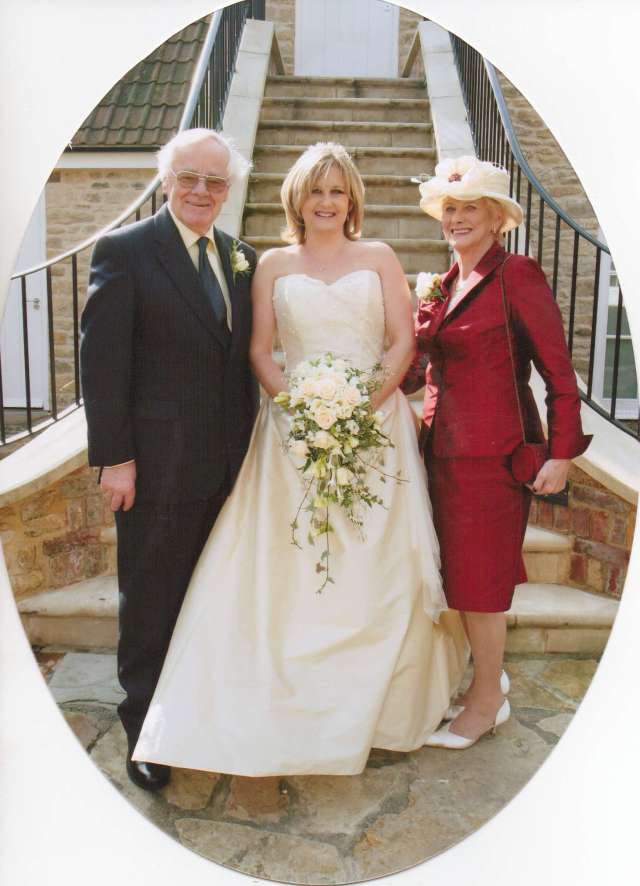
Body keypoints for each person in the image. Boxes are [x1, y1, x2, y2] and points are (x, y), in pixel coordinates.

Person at [132, 142, 469, 777]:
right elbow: (261, 350)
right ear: (296, 198)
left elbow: (402, 342)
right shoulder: (271, 265)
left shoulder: (379, 256)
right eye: (316, 190)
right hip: (291, 432)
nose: (326, 202)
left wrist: (361, 407)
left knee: (376, 566)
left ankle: (378, 701)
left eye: (337, 191)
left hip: (375, 429)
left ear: (352, 199)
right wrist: (303, 410)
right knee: (285, 565)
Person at [80, 128, 258, 791]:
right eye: (189, 177)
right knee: (151, 604)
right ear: (165, 180)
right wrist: (116, 459)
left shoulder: (241, 257)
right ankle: (145, 735)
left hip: (228, 469)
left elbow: (238, 362)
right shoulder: (125, 251)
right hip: (155, 469)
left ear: (228, 189)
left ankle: (198, 719)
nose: (201, 191)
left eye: (215, 181)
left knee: (208, 602)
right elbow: (102, 364)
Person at [402, 156, 592, 749]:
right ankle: (485, 681)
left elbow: (559, 373)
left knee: (481, 585)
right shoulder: (443, 283)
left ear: (494, 219)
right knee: (458, 579)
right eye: (450, 209)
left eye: (470, 209)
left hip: (493, 459)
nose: (457, 218)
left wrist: (561, 454)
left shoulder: (518, 275)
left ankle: (487, 701)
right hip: (439, 454)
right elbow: (416, 369)